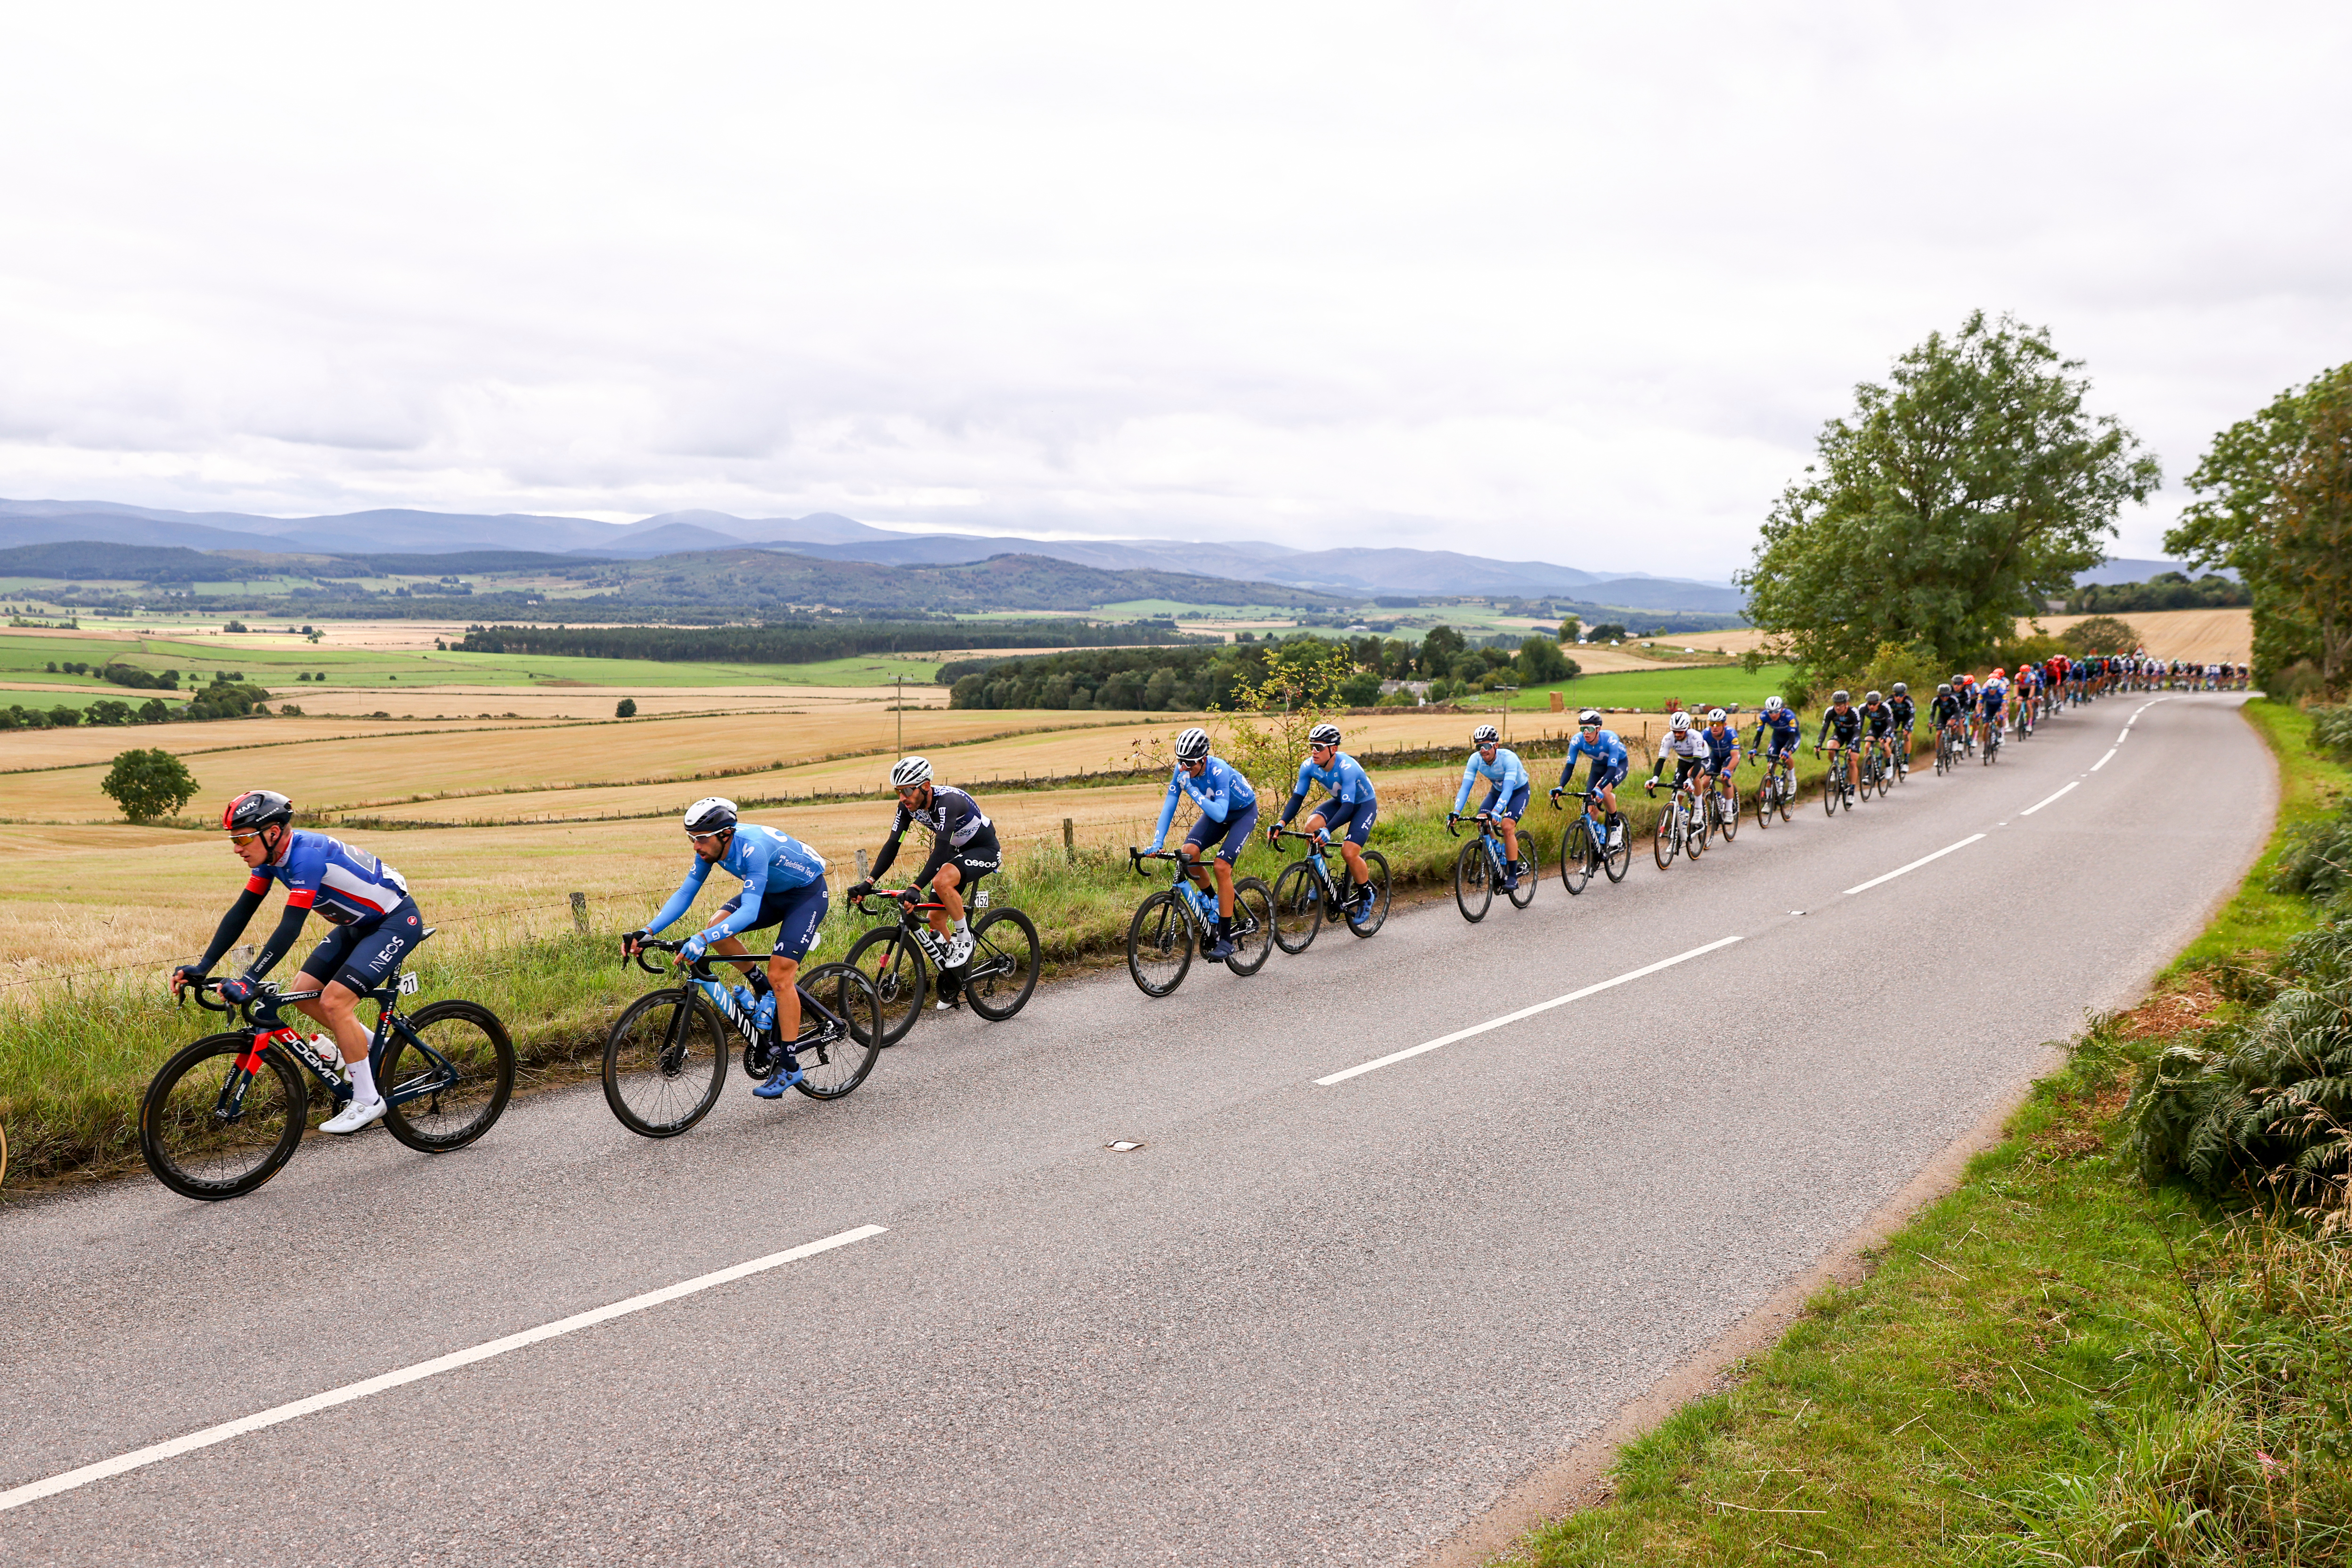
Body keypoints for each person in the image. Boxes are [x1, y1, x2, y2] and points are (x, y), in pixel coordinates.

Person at [169, 790, 425, 1135]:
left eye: (243, 838)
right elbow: (243, 910)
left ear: (273, 832)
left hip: (394, 922)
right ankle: (365, 1050)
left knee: (335, 1002)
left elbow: (290, 927)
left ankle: (367, 1099)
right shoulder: (269, 860)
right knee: (304, 993)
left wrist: (250, 978)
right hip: (355, 926)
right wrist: (204, 965)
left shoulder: (305, 856)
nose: (237, 848)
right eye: (233, 839)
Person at [623, 798, 829, 1098]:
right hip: (771, 894)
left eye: (700, 839)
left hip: (806, 895)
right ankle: (762, 987)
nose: (695, 846)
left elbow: (747, 913)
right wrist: (647, 931)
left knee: (781, 975)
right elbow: (685, 894)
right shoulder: (711, 850)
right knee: (717, 927)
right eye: (691, 839)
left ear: (725, 835)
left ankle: (789, 1063)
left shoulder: (752, 848)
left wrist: (702, 939)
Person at [848, 756, 999, 1011]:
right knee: (936, 920)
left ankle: (965, 938)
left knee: (941, 881)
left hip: (983, 849)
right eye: (898, 791)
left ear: (925, 786)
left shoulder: (948, 802)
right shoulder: (907, 808)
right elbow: (893, 845)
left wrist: (916, 887)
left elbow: (940, 851)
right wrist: (869, 881)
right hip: (957, 852)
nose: (902, 797)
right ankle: (956, 980)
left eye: (907, 790)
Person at [1147, 726, 1258, 960]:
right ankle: (1212, 901)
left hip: (1242, 814)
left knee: (1221, 867)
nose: (1184, 768)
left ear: (1203, 759)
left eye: (1190, 763)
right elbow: (1170, 805)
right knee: (1189, 853)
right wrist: (1158, 842)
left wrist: (1191, 790)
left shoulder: (1219, 770)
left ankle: (1226, 939)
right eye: (1181, 762)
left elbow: (1219, 814)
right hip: (1217, 813)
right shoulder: (1182, 771)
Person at [1269, 722, 1377, 915]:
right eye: (1312, 746)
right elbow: (1297, 798)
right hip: (1341, 802)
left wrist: (1328, 829)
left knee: (1349, 852)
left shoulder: (1347, 768)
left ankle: (1366, 893)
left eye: (1319, 747)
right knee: (1311, 827)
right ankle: (1322, 882)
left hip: (1363, 805)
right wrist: (1281, 823)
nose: (1314, 751)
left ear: (1333, 749)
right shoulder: (1309, 766)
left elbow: (1349, 806)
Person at [1451, 723, 1529, 890]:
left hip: (1518, 791)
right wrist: (1456, 812)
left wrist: (1496, 812)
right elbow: (1465, 788)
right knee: (1482, 821)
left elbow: (1508, 790)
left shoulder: (1509, 759)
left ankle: (1513, 876)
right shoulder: (1475, 760)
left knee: (1507, 826)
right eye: (1479, 746)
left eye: (1487, 746)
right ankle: (1499, 856)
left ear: (1496, 746)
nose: (1483, 750)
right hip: (1496, 791)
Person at [1552, 708, 1629, 848]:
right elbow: (1569, 768)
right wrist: (1560, 787)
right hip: (1598, 767)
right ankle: (1594, 854)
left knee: (1604, 791)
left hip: (1617, 765)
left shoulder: (1610, 739)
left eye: (1589, 729)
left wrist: (1599, 788)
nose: (1586, 733)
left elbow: (1611, 770)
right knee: (1590, 807)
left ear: (1598, 729)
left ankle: (1616, 825)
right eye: (1583, 729)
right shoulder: (1577, 740)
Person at [1647, 710, 1715, 821]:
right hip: (1683, 762)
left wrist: (1691, 779)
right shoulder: (1668, 738)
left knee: (1692, 776)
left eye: (1681, 732)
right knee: (1678, 793)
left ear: (1688, 728)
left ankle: (1699, 809)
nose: (1677, 735)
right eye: (1675, 731)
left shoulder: (1695, 737)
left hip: (1702, 760)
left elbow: (1697, 762)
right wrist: (1655, 779)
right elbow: (1661, 761)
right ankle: (1680, 820)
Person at [1748, 695, 1802, 804]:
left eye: (1776, 712)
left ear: (1781, 710)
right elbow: (1759, 735)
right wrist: (1754, 749)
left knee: (1787, 757)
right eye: (1770, 712)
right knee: (1770, 768)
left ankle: (1792, 780)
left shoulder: (1789, 715)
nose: (1773, 715)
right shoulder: (1763, 716)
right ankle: (1769, 801)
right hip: (1777, 738)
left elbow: (1792, 738)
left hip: (1792, 738)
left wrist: (1786, 750)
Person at [1698, 707, 1742, 820]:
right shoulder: (1705, 735)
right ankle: (1716, 801)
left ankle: (1728, 811)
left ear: (1725, 724)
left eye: (1718, 724)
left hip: (1730, 758)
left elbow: (1735, 757)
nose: (1715, 727)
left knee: (1725, 778)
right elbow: (1700, 754)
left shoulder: (1731, 734)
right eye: (1712, 723)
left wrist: (1728, 770)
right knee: (1706, 782)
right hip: (1715, 757)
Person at [1815, 690, 1862, 793]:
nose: (1838, 707)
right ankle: (1836, 769)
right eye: (1836, 704)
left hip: (1853, 736)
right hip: (1839, 734)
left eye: (1841, 705)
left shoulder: (1854, 712)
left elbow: (1857, 731)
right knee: (1831, 748)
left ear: (1847, 704)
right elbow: (1824, 729)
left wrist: (1851, 745)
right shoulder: (1830, 712)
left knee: (1852, 762)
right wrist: (1819, 743)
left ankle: (1852, 790)